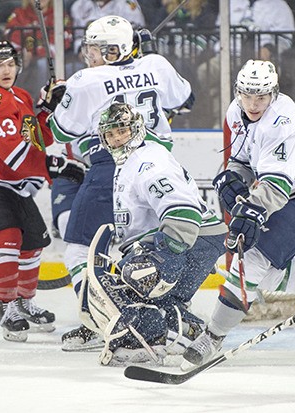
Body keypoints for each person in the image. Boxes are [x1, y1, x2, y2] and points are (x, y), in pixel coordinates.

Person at [182, 59, 295, 367]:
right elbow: (242, 162)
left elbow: (277, 186)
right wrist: (233, 177)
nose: (253, 103)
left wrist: (252, 210)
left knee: (253, 262)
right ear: (238, 92)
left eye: (261, 96)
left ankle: (213, 337)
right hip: (289, 190)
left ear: (274, 93)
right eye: (247, 94)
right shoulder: (236, 111)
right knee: (264, 275)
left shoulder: (281, 120)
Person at [47, 15, 194, 351]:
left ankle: (103, 321)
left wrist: (56, 102)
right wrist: (146, 65)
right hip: (160, 165)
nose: (92, 54)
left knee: (80, 250)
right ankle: (168, 322)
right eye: (92, 48)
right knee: (147, 249)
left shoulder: (85, 80)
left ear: (119, 48)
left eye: (101, 48)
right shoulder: (156, 64)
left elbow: (60, 132)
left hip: (111, 167)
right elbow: (186, 100)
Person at [0, 40, 84, 342]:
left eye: (10, 64)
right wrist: (56, 167)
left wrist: (48, 109)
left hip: (15, 181)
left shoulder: (21, 96)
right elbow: (13, 153)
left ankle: (25, 303)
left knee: (33, 242)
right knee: (7, 237)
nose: (5, 70)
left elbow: (36, 140)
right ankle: (7, 306)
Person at [79, 102, 226, 366]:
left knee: (132, 279)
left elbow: (183, 215)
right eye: (110, 135)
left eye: (121, 131)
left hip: (191, 239)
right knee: (143, 291)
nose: (116, 139)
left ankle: (143, 340)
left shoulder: (148, 161)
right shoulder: (129, 162)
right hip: (191, 239)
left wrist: (165, 258)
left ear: (135, 130)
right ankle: (183, 330)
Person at [196, 0, 295, 128]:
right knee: (205, 71)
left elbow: (286, 39)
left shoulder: (278, 5)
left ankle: (264, 123)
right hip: (230, 56)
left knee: (261, 83)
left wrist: (270, 48)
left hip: (263, 61)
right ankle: (222, 120)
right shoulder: (232, 3)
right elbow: (218, 33)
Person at [4, 0, 74, 97]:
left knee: (42, 63)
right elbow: (11, 36)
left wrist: (34, 52)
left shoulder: (59, 14)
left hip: (50, 60)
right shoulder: (19, 14)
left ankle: (43, 99)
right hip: (25, 61)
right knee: (12, 65)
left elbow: (63, 40)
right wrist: (22, 54)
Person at [70, 0, 146, 55]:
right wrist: (82, 51)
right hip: (89, 55)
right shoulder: (79, 5)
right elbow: (78, 37)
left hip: (119, 54)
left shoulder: (126, 4)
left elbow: (137, 35)